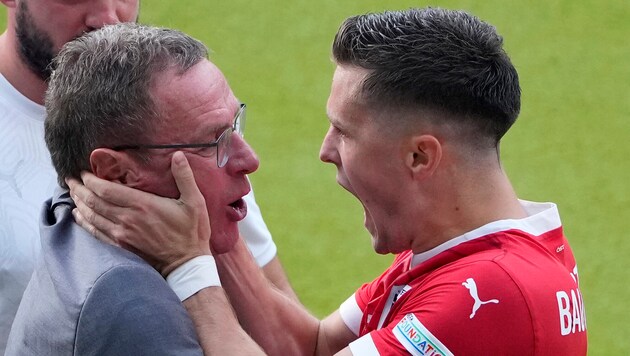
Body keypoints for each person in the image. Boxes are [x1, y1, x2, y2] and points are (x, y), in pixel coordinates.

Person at [67, 8, 588, 355]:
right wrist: (209, 228)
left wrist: (187, 266)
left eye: (344, 131)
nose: (324, 150)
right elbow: (313, 347)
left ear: (418, 155)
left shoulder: (492, 294)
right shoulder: (469, 249)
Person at [0, 1, 293, 351]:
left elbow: (283, 338)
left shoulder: (176, 110)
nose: (108, 19)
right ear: (113, 172)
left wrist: (191, 256)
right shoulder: (119, 299)